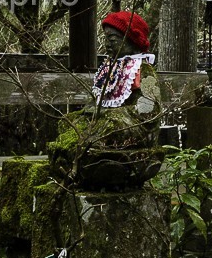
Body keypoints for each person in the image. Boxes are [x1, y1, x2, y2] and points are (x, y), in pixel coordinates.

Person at [50, 10, 162, 188]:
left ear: (131, 40)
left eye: (112, 40)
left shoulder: (143, 70)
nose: (107, 45)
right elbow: (98, 99)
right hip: (104, 122)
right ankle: (80, 155)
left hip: (131, 129)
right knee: (69, 121)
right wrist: (89, 110)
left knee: (110, 126)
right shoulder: (109, 68)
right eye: (106, 39)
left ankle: (90, 159)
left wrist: (112, 114)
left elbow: (149, 111)